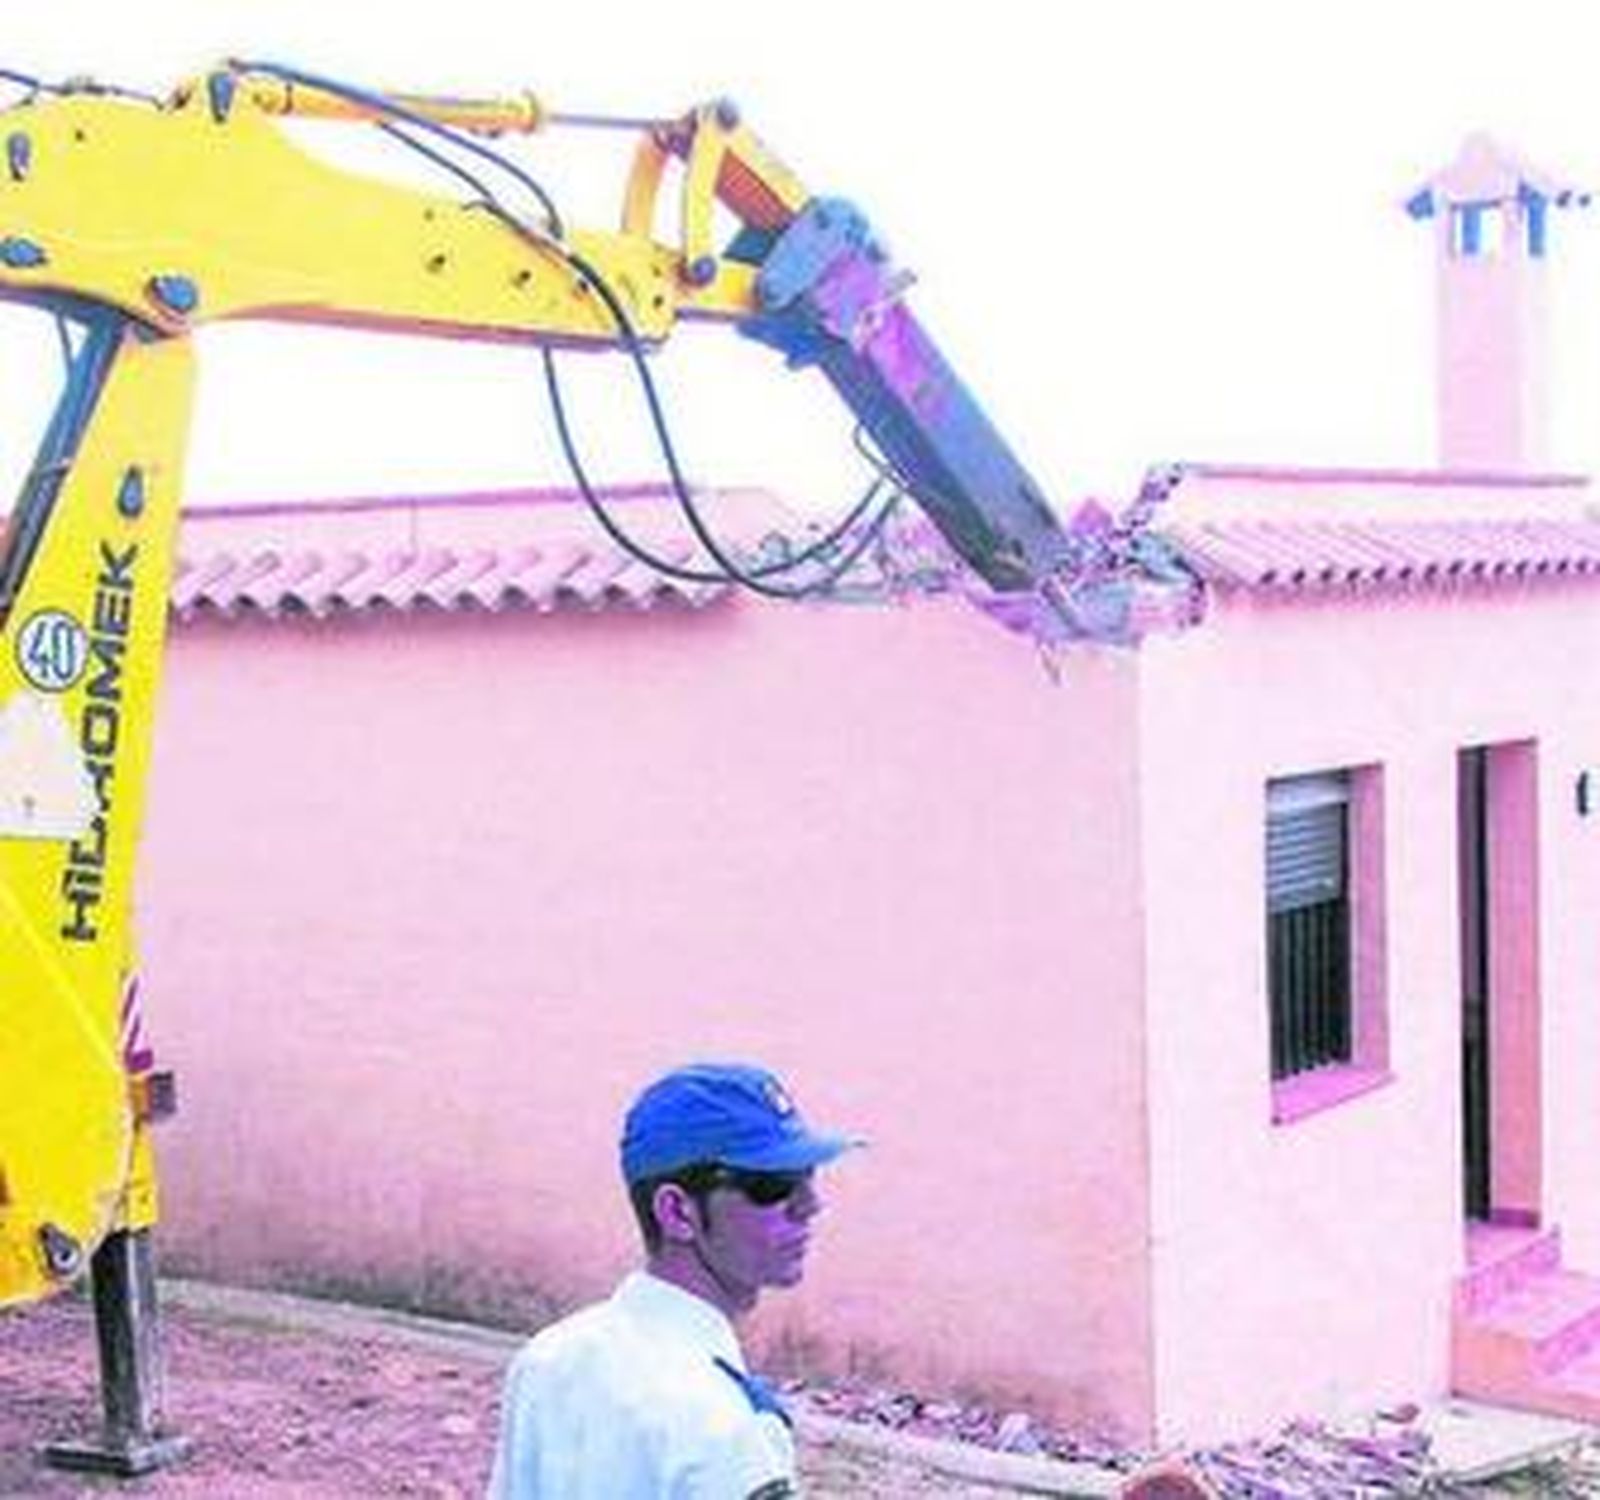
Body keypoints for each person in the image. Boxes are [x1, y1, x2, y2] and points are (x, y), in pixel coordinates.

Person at [487, 1061, 861, 1498]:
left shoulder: (548, 1357)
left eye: (808, 1177)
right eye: (771, 1186)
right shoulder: (728, 1426)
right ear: (677, 1212)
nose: (809, 1205)